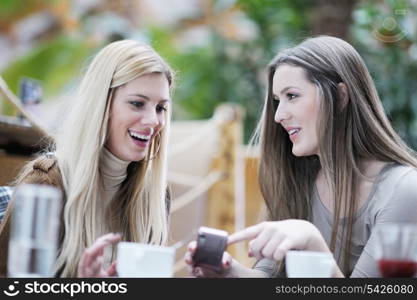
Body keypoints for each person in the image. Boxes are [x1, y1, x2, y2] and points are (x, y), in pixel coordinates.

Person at [185, 35, 417, 278]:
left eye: (292, 96)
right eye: (277, 101)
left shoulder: (404, 191)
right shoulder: (297, 179)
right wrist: (228, 273)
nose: (278, 115)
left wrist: (312, 244)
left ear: (340, 97)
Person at [0, 39, 174, 277]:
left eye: (160, 108)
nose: (153, 121)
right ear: (102, 105)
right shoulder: (46, 184)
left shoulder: (155, 197)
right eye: (137, 103)